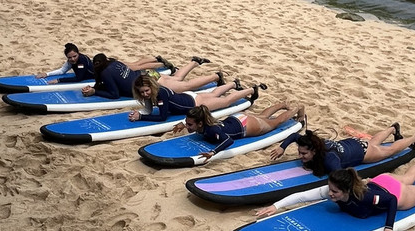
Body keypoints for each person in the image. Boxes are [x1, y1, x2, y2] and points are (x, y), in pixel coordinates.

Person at [254, 159, 415, 231]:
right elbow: (302, 196)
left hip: (394, 193)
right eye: (330, 189)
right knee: (408, 177)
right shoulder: (332, 190)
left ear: (345, 190)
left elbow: (390, 200)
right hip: (380, 180)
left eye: (335, 192)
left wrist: (388, 228)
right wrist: (275, 206)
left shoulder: (365, 197)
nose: (330, 194)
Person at [271, 124, 415, 175]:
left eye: (304, 153)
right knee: (373, 142)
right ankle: (392, 128)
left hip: (363, 153)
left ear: (314, 151)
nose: (300, 155)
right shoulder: (312, 142)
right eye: (300, 152)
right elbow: (293, 136)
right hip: (353, 143)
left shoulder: (330, 160)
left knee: (389, 151)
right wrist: (282, 147)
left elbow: (341, 176)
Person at [179, 103, 306, 161]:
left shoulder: (212, 129)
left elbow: (229, 140)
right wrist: (183, 125)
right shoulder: (205, 122)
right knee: (261, 116)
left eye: (189, 124)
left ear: (200, 123)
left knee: (274, 123)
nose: (188, 126)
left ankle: (298, 107)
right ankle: (282, 104)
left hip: (245, 126)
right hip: (236, 118)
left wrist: (213, 152)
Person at [127, 73, 258, 123]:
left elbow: (162, 117)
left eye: (146, 91)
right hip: (187, 97)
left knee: (225, 101)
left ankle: (252, 90)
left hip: (194, 103)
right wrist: (140, 113)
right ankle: (234, 84)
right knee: (213, 94)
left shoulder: (161, 93)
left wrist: (141, 117)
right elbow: (149, 110)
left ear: (152, 86)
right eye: (142, 92)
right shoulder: (153, 92)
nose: (145, 94)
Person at [79, 54, 218, 99]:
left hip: (147, 82)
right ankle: (194, 62)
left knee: (184, 86)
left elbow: (114, 94)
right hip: (147, 74)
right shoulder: (114, 62)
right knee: (176, 79)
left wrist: (95, 91)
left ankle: (215, 77)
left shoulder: (105, 73)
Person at [36, 43, 161, 83]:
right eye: (70, 58)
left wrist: (59, 81)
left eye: (74, 56)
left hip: (110, 66)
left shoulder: (83, 61)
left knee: (136, 66)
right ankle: (157, 58)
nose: (72, 59)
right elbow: (62, 71)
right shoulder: (72, 61)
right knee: (135, 63)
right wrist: (47, 74)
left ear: (78, 53)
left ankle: (161, 65)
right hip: (108, 62)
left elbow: (79, 78)